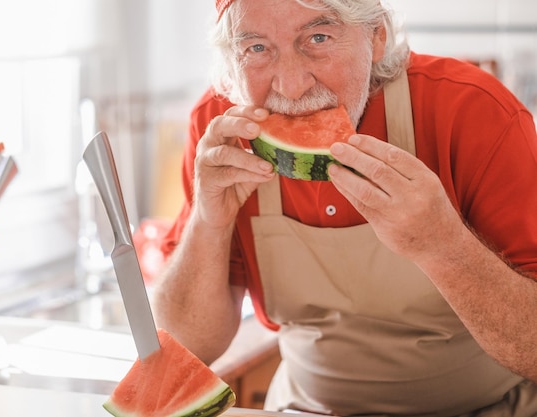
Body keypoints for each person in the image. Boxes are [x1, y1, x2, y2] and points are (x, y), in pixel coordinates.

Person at [151, 0, 537, 415]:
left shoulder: (470, 110)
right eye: (257, 48)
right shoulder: (222, 133)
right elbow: (184, 348)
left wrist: (443, 245)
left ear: (376, 37)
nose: (292, 85)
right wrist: (209, 222)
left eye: (318, 38)